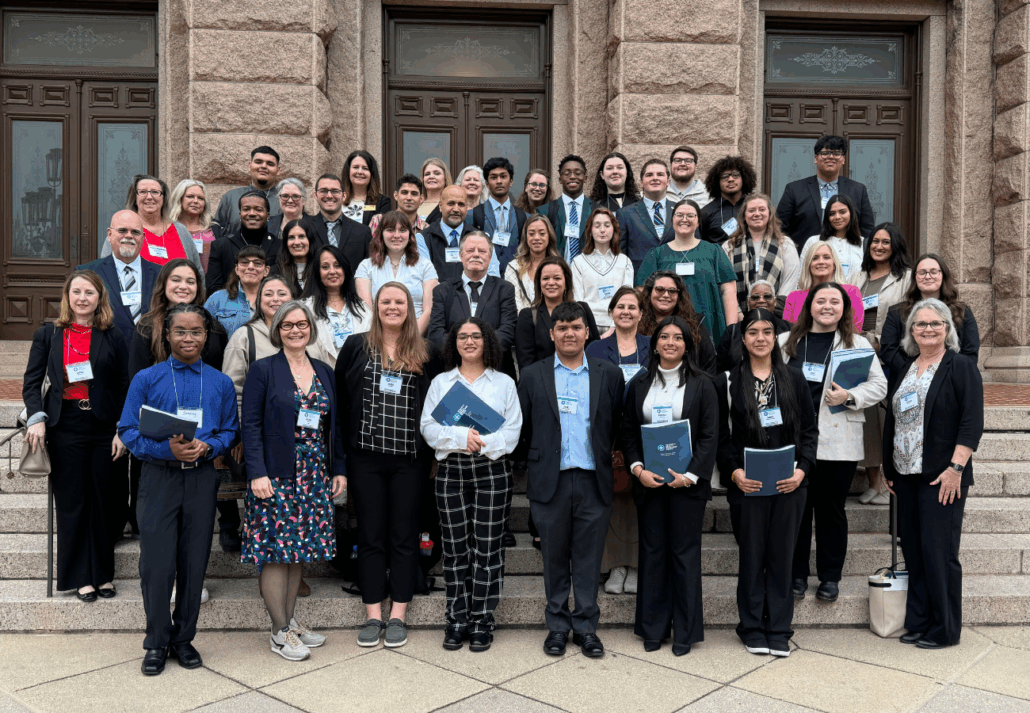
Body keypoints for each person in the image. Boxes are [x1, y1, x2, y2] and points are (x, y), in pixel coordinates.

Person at [118, 303, 239, 676]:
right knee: (156, 565)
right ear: (167, 335)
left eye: (196, 331)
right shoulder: (147, 379)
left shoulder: (220, 383)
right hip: (159, 478)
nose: (189, 338)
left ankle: (184, 638)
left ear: (206, 335)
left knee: (193, 561)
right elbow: (128, 430)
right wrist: (165, 450)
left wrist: (210, 446)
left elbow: (229, 430)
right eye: (181, 331)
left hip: (201, 479)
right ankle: (157, 641)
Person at [335, 282, 443, 649]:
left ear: (409, 308)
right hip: (364, 457)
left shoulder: (427, 351)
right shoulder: (356, 346)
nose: (392, 307)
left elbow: (436, 403)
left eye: (399, 302)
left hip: (410, 460)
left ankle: (397, 614)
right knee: (370, 535)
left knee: (404, 535)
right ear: (376, 306)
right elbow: (341, 401)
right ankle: (372, 615)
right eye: (386, 301)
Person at [516, 301, 625, 658]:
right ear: (551, 334)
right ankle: (558, 627)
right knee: (554, 557)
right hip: (551, 479)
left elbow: (616, 423)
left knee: (589, 558)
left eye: (576, 327)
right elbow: (523, 427)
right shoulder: (532, 375)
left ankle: (586, 628)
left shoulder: (610, 374)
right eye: (562, 328)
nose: (569, 333)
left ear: (587, 332)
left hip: (594, 478)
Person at [241, 300, 346, 661]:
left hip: (315, 473)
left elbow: (335, 426)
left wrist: (339, 469)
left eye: (302, 324)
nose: (295, 330)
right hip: (276, 474)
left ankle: (290, 623)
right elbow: (250, 425)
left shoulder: (324, 371)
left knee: (299, 548)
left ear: (311, 329)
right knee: (275, 551)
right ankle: (278, 630)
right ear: (277, 331)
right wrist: (257, 472)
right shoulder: (263, 370)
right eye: (287, 325)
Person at [714, 308, 818, 657]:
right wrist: (734, 473)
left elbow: (809, 431)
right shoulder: (727, 381)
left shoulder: (794, 378)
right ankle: (752, 627)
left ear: (776, 337)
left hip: (790, 485)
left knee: (782, 558)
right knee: (751, 557)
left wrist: (802, 470)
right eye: (753, 332)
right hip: (747, 486)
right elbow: (720, 437)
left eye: (767, 332)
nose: (760, 338)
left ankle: (778, 629)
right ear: (743, 339)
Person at [883, 298, 983, 650]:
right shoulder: (906, 366)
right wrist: (888, 468)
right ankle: (920, 621)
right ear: (911, 331)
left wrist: (956, 468)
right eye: (921, 324)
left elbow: (971, 422)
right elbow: (893, 419)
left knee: (939, 553)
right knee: (914, 550)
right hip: (905, 475)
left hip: (942, 476)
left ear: (947, 329)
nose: (928, 329)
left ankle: (945, 629)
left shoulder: (960, 366)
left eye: (935, 323)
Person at [779, 282, 887, 603]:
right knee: (797, 511)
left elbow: (879, 385)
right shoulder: (785, 341)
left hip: (838, 440)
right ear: (809, 306)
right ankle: (797, 575)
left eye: (835, 301)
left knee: (831, 512)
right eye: (821, 300)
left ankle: (829, 577)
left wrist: (850, 395)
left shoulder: (858, 344)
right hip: (794, 441)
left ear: (844, 308)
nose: (827, 306)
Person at [23, 271, 127, 601]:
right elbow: (31, 382)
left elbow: (124, 385)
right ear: (67, 296)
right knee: (73, 502)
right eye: (77, 292)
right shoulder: (48, 334)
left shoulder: (113, 335)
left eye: (89, 292)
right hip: (64, 424)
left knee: (104, 501)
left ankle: (103, 575)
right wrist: (36, 419)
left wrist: (122, 429)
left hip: (103, 426)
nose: (82, 298)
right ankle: (81, 577)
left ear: (100, 298)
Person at [421, 319, 522, 652]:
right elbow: (428, 428)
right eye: (462, 336)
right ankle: (456, 620)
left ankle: (481, 620)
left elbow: (512, 432)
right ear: (454, 343)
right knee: (454, 548)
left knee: (488, 548)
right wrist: (461, 437)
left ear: (486, 341)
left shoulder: (504, 383)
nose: (469, 341)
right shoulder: (441, 382)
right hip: (451, 470)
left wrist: (479, 443)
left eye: (476, 336)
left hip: (492, 471)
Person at [623, 316, 718, 655]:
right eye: (664, 336)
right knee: (652, 554)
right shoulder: (639, 383)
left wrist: (689, 476)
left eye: (678, 338)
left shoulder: (703, 384)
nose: (671, 343)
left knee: (684, 555)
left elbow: (709, 436)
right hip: (649, 483)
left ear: (687, 345)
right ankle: (653, 627)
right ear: (655, 344)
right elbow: (628, 431)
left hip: (687, 485)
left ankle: (685, 633)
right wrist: (637, 469)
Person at [128, 260, 231, 556]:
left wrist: (212, 442)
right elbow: (135, 380)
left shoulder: (214, 327)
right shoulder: (146, 326)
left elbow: (218, 378)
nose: (183, 286)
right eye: (176, 279)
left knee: (194, 529)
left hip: (201, 436)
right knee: (157, 522)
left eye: (190, 280)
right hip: (157, 436)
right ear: (164, 284)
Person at [585, 286, 649, 594]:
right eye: (620, 306)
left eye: (632, 307)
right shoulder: (596, 349)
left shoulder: (653, 346)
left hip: (644, 433)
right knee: (612, 497)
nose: (626, 311)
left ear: (641, 313)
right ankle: (615, 566)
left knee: (638, 501)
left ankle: (636, 565)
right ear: (611, 312)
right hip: (607, 434)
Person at [850, 222, 912, 505]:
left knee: (889, 420)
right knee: (868, 421)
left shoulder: (906, 278)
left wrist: (882, 344)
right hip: (859, 353)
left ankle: (891, 483)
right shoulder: (858, 275)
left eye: (885, 242)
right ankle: (874, 482)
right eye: (875, 241)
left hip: (889, 355)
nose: (879, 246)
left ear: (895, 245)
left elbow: (907, 319)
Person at [636, 199, 737, 343]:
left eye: (690, 215)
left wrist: (731, 330)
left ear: (698, 221)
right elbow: (642, 293)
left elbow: (729, 291)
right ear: (672, 220)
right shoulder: (656, 255)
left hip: (710, 325)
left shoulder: (714, 252)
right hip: (667, 330)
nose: (684, 219)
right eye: (679, 215)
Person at [880, 253, 980, 374]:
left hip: (951, 378)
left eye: (933, 272)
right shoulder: (896, 312)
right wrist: (916, 373)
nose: (927, 277)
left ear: (943, 275)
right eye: (922, 273)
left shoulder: (962, 311)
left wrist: (944, 375)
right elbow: (888, 351)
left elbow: (970, 353)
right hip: (907, 377)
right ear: (915, 277)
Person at [79, 210, 161, 355]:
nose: (129, 236)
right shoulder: (88, 273)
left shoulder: (161, 274)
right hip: (105, 358)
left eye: (135, 232)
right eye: (122, 230)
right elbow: (77, 321)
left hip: (150, 358)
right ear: (109, 234)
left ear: (143, 238)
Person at [427, 230, 517, 360]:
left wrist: (479, 350)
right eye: (470, 250)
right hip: (454, 364)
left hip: (494, 363)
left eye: (482, 251)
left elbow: (508, 330)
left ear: (490, 257)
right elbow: (436, 332)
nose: (476, 254)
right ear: (461, 255)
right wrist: (465, 352)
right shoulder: (442, 291)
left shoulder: (504, 289)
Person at [776, 135, 875, 249]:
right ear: (816, 158)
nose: (831, 157)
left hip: (848, 256)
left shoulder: (858, 190)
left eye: (836, 153)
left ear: (843, 159)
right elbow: (780, 228)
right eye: (825, 153)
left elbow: (867, 229)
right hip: (805, 255)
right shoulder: (794, 189)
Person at [223, 276, 300, 410]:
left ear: (293, 299)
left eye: (282, 294)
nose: (275, 299)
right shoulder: (243, 337)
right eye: (268, 294)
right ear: (259, 300)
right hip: (260, 421)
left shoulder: (308, 336)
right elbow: (232, 390)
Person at [356, 211, 438, 335]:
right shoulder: (366, 267)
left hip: (416, 336)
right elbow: (366, 310)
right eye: (390, 230)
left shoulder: (425, 266)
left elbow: (429, 310)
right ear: (381, 234)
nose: (396, 235)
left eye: (402, 230)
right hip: (378, 336)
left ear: (410, 234)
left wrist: (412, 338)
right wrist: (384, 339)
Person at [101, 175, 203, 273]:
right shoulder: (120, 232)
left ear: (163, 198)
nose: (149, 197)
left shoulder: (181, 231)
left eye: (155, 192)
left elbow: (197, 271)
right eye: (143, 192)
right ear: (135, 198)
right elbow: (105, 271)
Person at [515, 255, 600, 370]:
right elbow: (526, 363)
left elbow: (596, 350)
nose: (551, 282)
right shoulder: (528, 316)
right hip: (543, 379)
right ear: (539, 283)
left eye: (557, 278)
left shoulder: (583, 309)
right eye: (546, 278)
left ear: (566, 281)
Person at [723, 193, 801, 313]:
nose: (757, 214)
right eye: (751, 210)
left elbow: (790, 282)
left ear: (769, 214)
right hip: (739, 316)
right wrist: (738, 313)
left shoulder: (785, 244)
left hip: (776, 315)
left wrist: (776, 310)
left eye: (762, 209)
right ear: (744, 215)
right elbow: (727, 285)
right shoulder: (730, 246)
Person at [302, 245, 371, 367]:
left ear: (345, 269)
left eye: (337, 265)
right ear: (317, 272)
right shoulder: (306, 309)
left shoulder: (362, 307)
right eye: (325, 267)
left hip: (357, 372)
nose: (332, 271)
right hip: (322, 371)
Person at [638, 271, 717, 374]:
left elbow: (709, 364)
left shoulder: (695, 324)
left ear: (679, 295)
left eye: (672, 291)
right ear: (649, 292)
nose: (666, 295)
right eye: (660, 290)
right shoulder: (637, 322)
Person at [420, 185, 500, 284]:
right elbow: (424, 278)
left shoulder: (482, 239)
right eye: (451, 203)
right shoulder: (423, 238)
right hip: (436, 294)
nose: (456, 209)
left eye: (461, 204)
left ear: (467, 207)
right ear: (440, 206)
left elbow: (493, 276)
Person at [205, 190, 280, 296]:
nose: (252, 213)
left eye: (258, 209)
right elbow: (213, 288)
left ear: (268, 216)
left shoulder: (280, 246)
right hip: (230, 304)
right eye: (246, 209)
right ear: (240, 215)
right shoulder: (221, 246)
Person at [571, 207, 634, 332]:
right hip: (587, 327)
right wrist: (588, 330)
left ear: (614, 230)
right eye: (597, 225)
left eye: (607, 225)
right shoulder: (578, 263)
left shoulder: (625, 262)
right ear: (590, 230)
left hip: (617, 325)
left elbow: (626, 299)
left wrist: (613, 328)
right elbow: (578, 301)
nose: (602, 230)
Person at [300, 174, 374, 275]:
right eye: (323, 191)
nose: (329, 195)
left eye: (335, 191)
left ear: (344, 196)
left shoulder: (363, 232)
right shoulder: (304, 228)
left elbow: (370, 270)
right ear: (315, 195)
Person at [782, 242, 865, 330]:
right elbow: (787, 332)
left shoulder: (850, 292)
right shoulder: (794, 297)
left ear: (834, 265)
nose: (821, 262)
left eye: (826, 257)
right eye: (815, 258)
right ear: (808, 265)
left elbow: (855, 329)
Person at [470, 157, 528, 274]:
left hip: (515, 278)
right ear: (487, 184)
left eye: (503, 176)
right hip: (483, 277)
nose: (499, 181)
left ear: (511, 181)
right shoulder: (472, 215)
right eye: (494, 177)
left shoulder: (524, 217)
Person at [716, 281, 789, 372]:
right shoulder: (732, 331)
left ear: (775, 302)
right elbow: (719, 369)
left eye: (767, 296)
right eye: (755, 297)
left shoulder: (789, 329)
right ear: (748, 302)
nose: (761, 300)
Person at [617, 159, 676, 273]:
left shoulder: (680, 210)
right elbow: (620, 255)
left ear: (668, 182)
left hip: (675, 278)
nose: (655, 178)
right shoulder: (625, 214)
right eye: (649, 175)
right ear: (641, 183)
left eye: (660, 174)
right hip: (641, 279)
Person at [214, 146, 282, 237]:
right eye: (258, 162)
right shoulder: (230, 198)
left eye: (270, 164)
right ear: (249, 166)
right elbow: (217, 233)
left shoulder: (285, 201)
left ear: (278, 170)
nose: (263, 166)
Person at [538, 155, 595, 264]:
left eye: (578, 173)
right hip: (555, 270)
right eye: (567, 173)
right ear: (560, 179)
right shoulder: (545, 211)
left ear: (585, 178)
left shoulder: (597, 210)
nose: (572, 177)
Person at [204, 246, 269, 337]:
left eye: (257, 263)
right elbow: (202, 330)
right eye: (244, 262)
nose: (250, 267)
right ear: (237, 269)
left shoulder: (274, 300)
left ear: (266, 271)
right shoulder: (217, 299)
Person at [798, 195, 865, 280]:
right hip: (819, 288)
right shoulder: (813, 241)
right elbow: (801, 276)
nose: (837, 217)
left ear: (851, 213)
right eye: (832, 214)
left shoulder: (863, 243)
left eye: (842, 212)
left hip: (854, 289)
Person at [504, 214, 561, 313]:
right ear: (525, 237)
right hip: (522, 320)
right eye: (531, 234)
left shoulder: (559, 266)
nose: (537, 238)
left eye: (542, 233)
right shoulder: (513, 267)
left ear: (549, 236)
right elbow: (514, 304)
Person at [700, 155, 757, 245]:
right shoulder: (706, 212)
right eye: (724, 177)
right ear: (717, 182)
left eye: (735, 175)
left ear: (744, 178)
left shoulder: (755, 207)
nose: (730, 179)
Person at [169, 179, 219, 271]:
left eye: (200, 198)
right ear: (179, 199)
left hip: (209, 279)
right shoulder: (168, 227)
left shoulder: (216, 228)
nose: (196, 201)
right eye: (190, 196)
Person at [341, 150, 391, 225]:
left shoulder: (382, 202)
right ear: (348, 171)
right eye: (355, 167)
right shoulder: (337, 198)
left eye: (365, 168)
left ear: (372, 174)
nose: (360, 172)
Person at [274, 219, 313, 296]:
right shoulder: (275, 272)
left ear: (310, 240)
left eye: (302, 236)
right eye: (291, 237)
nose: (297, 242)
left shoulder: (321, 269)